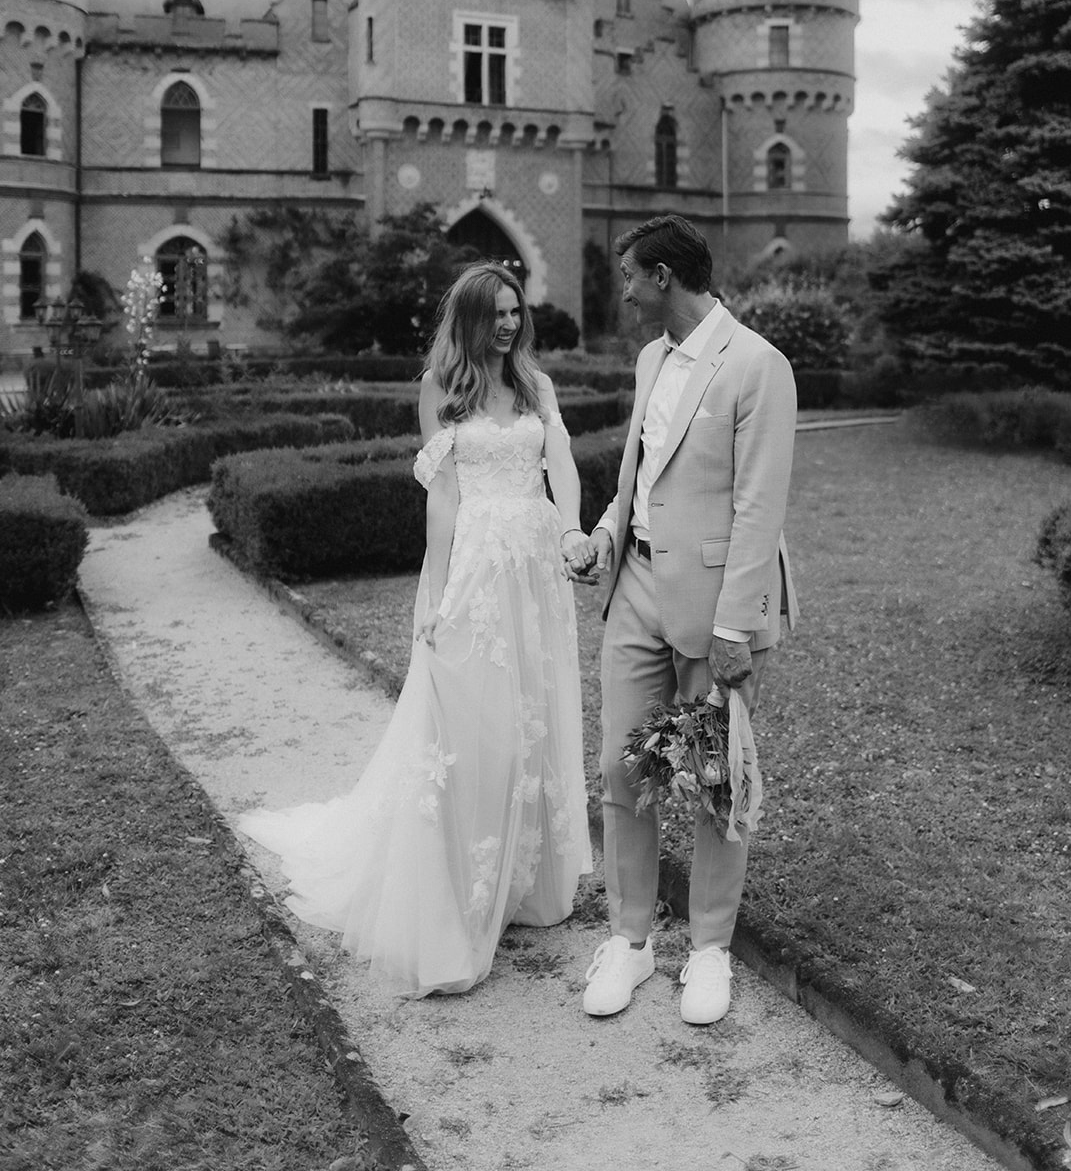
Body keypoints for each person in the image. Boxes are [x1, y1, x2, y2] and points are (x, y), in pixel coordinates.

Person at [239, 262, 593, 997]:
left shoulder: (535, 383)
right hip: (479, 575)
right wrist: (432, 591)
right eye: (494, 313)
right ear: (467, 319)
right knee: (474, 732)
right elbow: (445, 498)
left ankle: (528, 884)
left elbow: (559, 460)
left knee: (535, 719)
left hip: (536, 572)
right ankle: (457, 906)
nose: (508, 323)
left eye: (514, 310)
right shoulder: (441, 391)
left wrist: (572, 532)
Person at [577, 214, 798, 1026]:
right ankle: (629, 942)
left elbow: (758, 504)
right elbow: (639, 472)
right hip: (631, 586)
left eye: (631, 275)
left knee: (713, 777)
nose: (625, 289)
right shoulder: (648, 359)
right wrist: (603, 535)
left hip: (713, 608)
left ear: (663, 276)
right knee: (618, 767)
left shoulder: (757, 365)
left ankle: (708, 952)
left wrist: (736, 626)